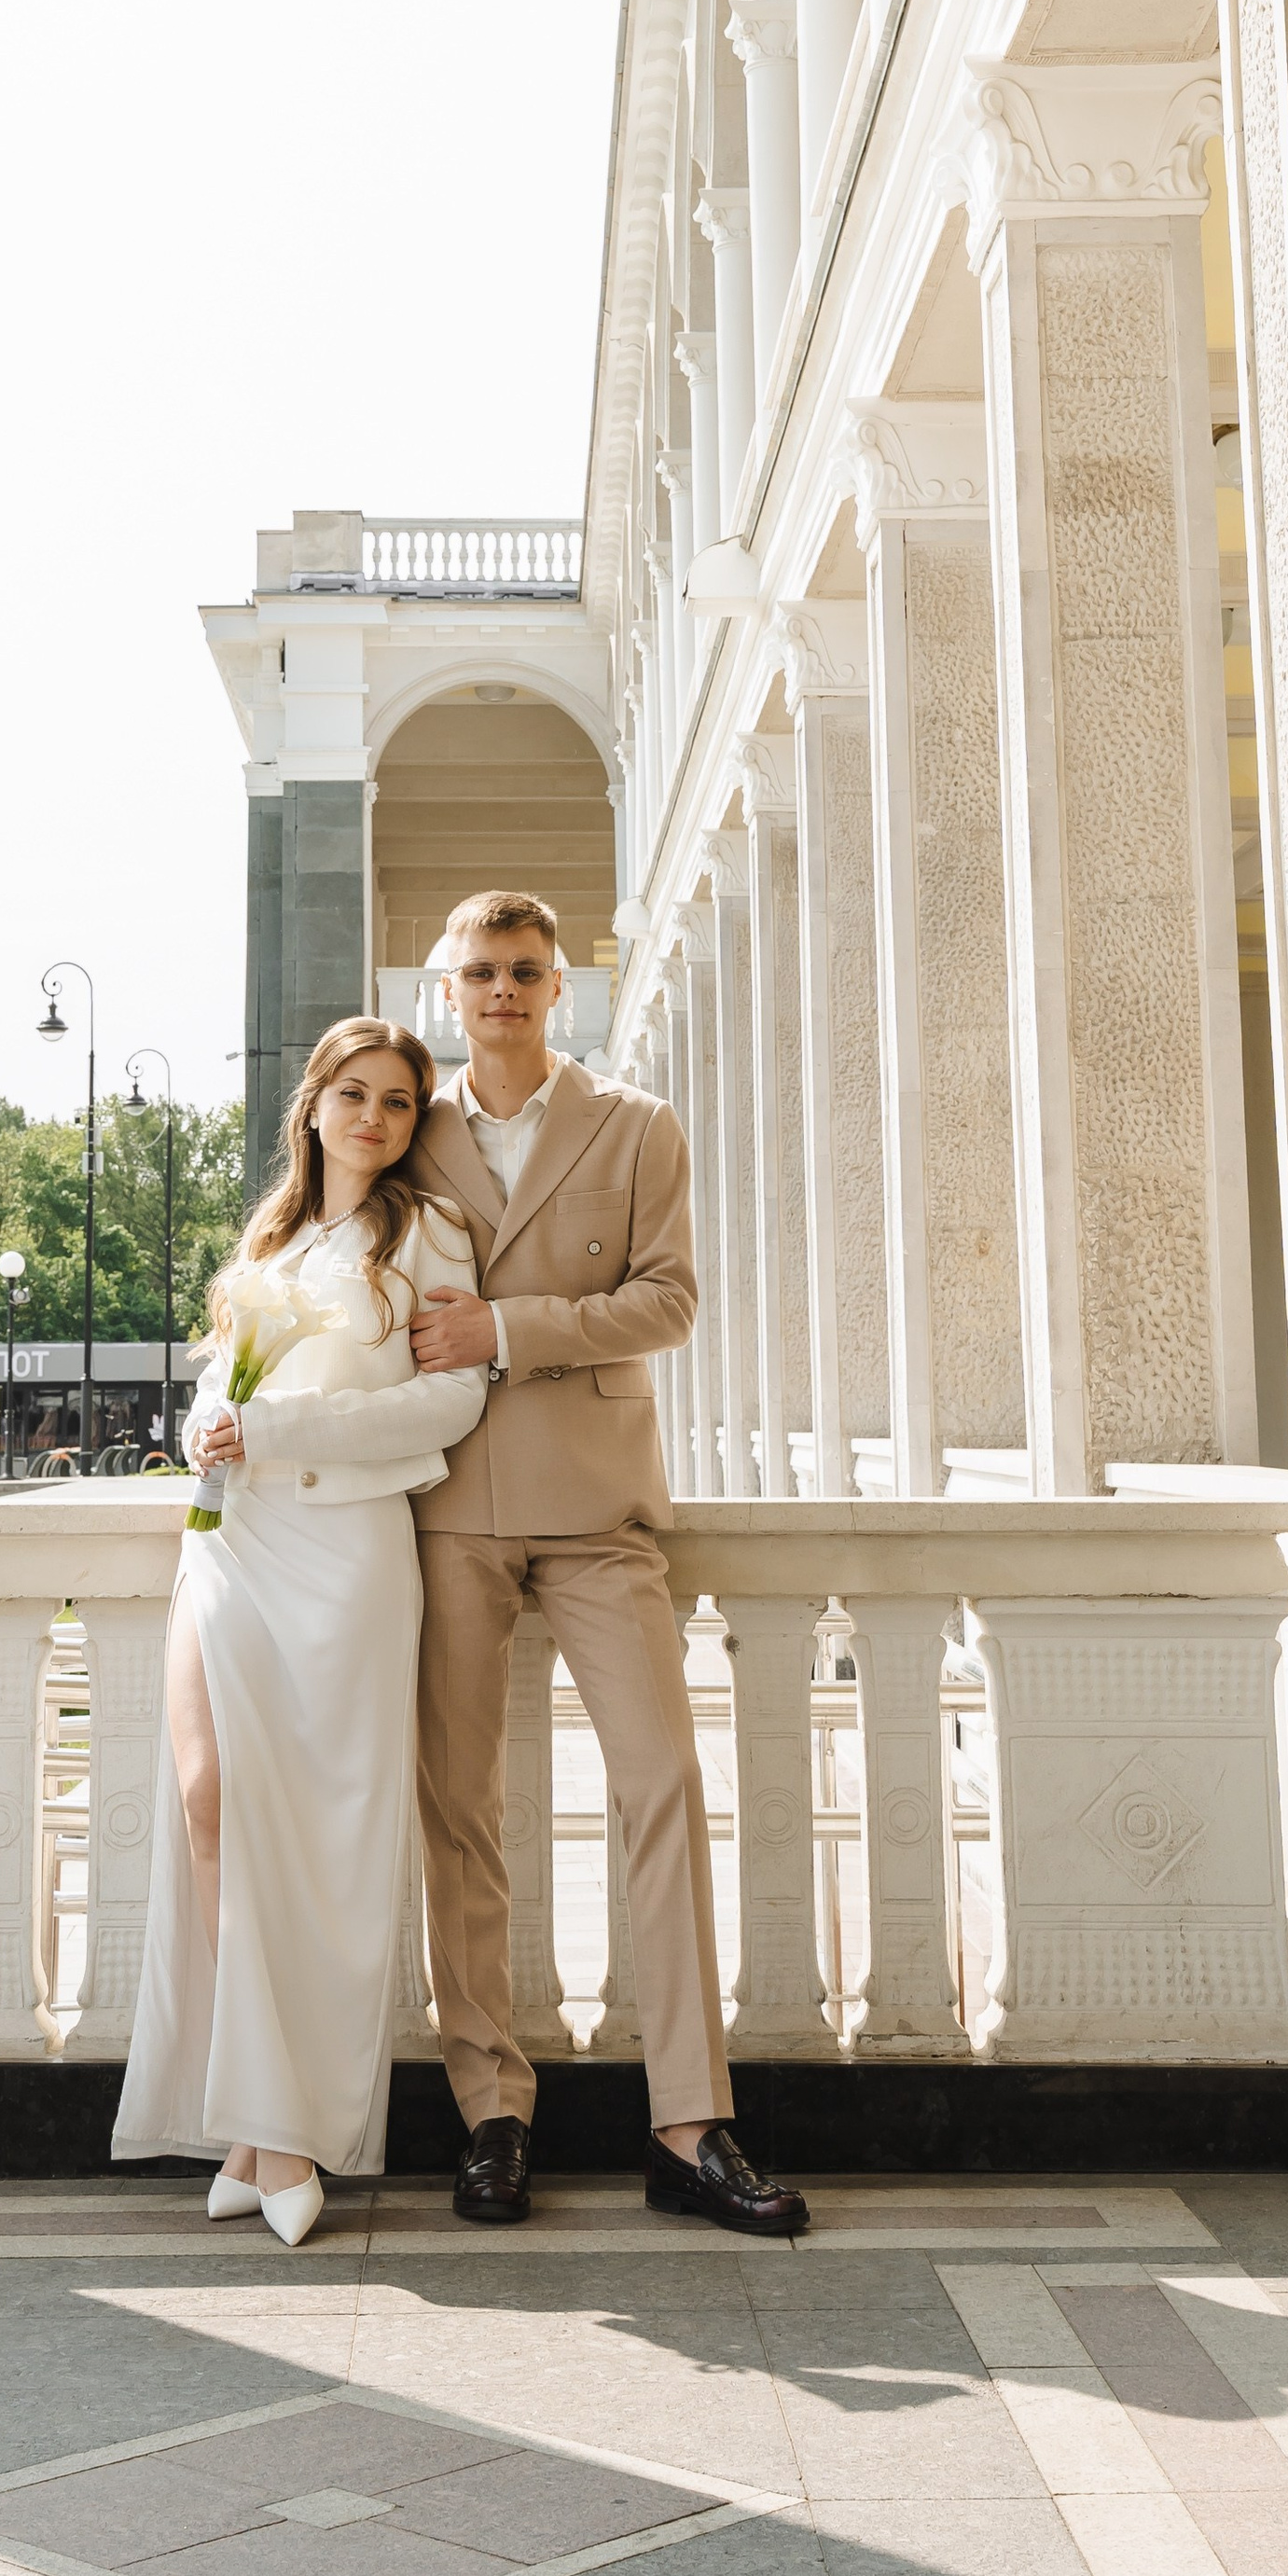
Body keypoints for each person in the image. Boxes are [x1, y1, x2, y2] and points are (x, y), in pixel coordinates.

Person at [407, 888, 809, 2239]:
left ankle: (688, 2125)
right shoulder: (410, 1133)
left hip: (597, 1507)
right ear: (449, 991)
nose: (502, 991)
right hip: (448, 1502)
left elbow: (669, 1299)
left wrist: (507, 1330)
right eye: (481, 971)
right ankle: (491, 2114)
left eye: (524, 971)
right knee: (459, 1810)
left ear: (558, 988)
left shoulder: (636, 1125)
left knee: (664, 1786)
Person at [112, 1018, 487, 2245]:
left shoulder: (429, 1234)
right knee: (207, 1799)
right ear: (314, 1103)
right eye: (354, 1093)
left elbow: (449, 1399)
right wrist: (206, 1429)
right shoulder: (268, 1236)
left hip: (344, 1557)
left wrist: (276, 1433)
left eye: (399, 1100)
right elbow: (217, 1386)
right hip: (230, 1542)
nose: (374, 1117)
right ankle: (251, 2112)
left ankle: (277, 2135)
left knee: (327, 1842)